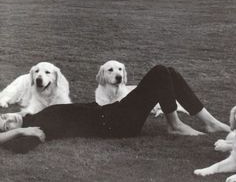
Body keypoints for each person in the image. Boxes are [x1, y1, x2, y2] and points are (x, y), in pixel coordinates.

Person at [0, 65, 230, 153]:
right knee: (160, 72)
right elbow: (14, 143)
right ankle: (175, 125)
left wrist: (18, 118)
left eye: (3, 117)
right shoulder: (33, 131)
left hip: (115, 112)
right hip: (117, 123)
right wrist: (21, 131)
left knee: (167, 72)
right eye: (6, 125)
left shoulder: (32, 115)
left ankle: (209, 121)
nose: (8, 118)